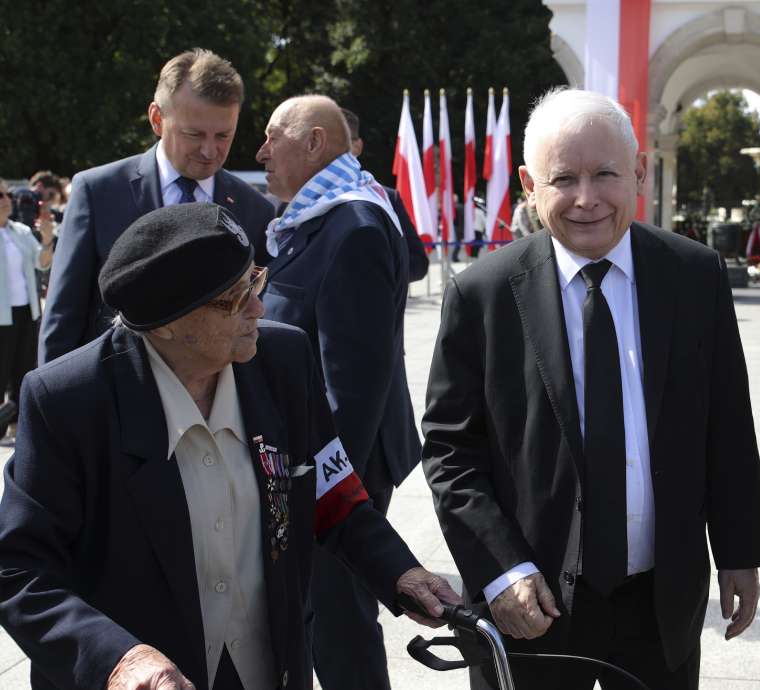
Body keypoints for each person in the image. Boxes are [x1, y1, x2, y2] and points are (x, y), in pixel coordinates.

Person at [0, 203, 459, 690]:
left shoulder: (284, 360)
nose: (259, 307)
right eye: (234, 299)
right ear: (166, 324)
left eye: (255, 281)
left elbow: (332, 492)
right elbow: (19, 568)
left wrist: (399, 571)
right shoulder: (68, 400)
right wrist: (116, 658)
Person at [421, 87, 760, 690]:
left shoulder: (694, 276)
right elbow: (452, 454)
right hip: (532, 608)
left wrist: (739, 552)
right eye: (564, 179)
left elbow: (726, 423)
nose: (586, 200)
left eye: (606, 174)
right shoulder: (482, 294)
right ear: (529, 186)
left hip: (660, 602)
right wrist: (501, 570)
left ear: (637, 172)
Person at [256, 94, 419, 690]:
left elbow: (352, 385)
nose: (261, 151)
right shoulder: (319, 218)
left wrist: (323, 489)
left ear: (315, 143)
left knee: (340, 626)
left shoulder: (351, 226)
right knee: (316, 616)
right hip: (312, 465)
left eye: (274, 136)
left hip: (335, 472)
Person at [39, 49, 274, 366]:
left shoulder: (254, 209)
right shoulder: (98, 192)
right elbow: (63, 316)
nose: (209, 150)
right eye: (194, 134)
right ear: (157, 119)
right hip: (115, 389)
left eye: (223, 135)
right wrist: (54, 407)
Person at [340, 107, 429, 283]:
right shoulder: (293, 202)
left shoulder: (386, 198)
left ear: (357, 146)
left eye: (339, 142)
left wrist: (369, 270)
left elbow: (418, 264)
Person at [0, 181, 53, 432]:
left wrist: (46, 240)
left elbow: (43, 264)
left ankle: (18, 424)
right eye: (1, 195)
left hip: (27, 311)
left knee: (23, 369)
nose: (6, 199)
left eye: (8, 194)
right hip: (1, 316)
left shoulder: (20, 231)